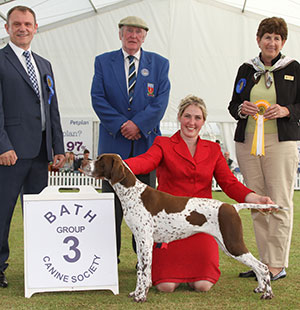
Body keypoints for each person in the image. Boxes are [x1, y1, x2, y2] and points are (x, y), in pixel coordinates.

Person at [125, 95, 273, 292]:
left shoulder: (212, 149)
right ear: (179, 117)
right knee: (166, 286)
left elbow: (229, 183)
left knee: (203, 285)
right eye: (187, 116)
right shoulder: (163, 143)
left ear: (203, 121)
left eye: (197, 118)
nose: (191, 122)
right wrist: (119, 165)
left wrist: (256, 199)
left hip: (202, 221)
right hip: (170, 221)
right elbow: (145, 161)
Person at [91, 16, 170, 261]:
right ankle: (108, 257)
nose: (133, 36)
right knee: (110, 206)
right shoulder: (103, 62)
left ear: (144, 36)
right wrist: (121, 124)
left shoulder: (160, 64)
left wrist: (138, 125)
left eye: (138, 32)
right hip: (113, 147)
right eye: (128, 31)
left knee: (146, 206)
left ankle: (143, 256)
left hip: (145, 147)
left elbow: (161, 101)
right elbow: (97, 98)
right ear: (120, 34)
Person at [228, 17, 300, 281]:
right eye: (267, 36)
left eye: (277, 38)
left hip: (281, 143)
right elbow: (233, 104)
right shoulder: (247, 69)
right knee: (256, 202)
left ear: (283, 42)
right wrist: (241, 108)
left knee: (280, 202)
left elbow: (299, 107)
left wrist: (286, 110)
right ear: (258, 39)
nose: (272, 42)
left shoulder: (293, 68)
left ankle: (277, 265)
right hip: (248, 143)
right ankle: (263, 262)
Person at [0, 6, 65, 288]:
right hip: (10, 154)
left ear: (36, 27)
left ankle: (41, 265)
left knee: (40, 215)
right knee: (2, 214)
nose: (22, 28)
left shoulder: (44, 64)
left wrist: (57, 146)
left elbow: (52, 108)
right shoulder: (1, 61)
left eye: (27, 24)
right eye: (17, 24)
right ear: (7, 28)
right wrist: (2, 145)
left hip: (40, 154)